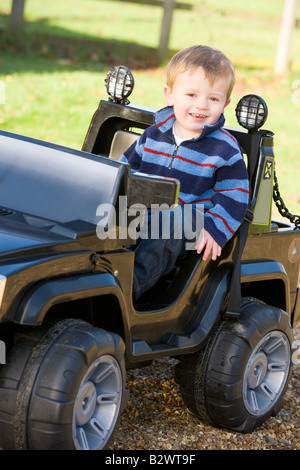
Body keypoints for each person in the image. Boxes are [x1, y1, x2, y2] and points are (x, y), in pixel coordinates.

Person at [120, 45, 249, 300]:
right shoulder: (154, 134)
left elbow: (235, 195)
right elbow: (126, 169)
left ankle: (130, 285)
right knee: (109, 214)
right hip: (146, 212)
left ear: (225, 103)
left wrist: (215, 228)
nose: (201, 105)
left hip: (191, 219)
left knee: (172, 219)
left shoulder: (224, 149)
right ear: (170, 95)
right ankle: (95, 268)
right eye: (191, 94)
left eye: (213, 99)